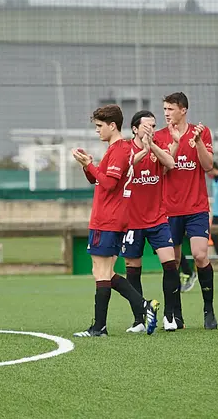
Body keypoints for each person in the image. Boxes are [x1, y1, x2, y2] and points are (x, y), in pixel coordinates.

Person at [71, 105, 152, 337]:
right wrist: (88, 165)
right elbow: (97, 181)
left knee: (102, 271)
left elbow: (109, 184)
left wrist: (89, 165)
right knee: (102, 271)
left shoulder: (118, 150)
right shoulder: (118, 149)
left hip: (107, 218)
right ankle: (140, 307)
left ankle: (101, 327)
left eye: (99, 126)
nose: (97, 130)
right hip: (109, 217)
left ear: (112, 125)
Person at [153, 92, 218, 330]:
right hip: (168, 209)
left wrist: (198, 141)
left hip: (196, 208)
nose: (166, 113)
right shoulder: (159, 136)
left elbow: (208, 166)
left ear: (183, 110)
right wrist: (173, 144)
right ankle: (175, 316)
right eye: (165, 109)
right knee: (174, 262)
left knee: (200, 255)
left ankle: (208, 310)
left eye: (170, 109)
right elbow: (160, 171)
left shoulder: (201, 132)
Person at [120, 110, 176, 333]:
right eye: (146, 126)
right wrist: (144, 149)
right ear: (134, 128)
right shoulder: (125, 148)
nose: (151, 129)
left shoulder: (157, 145)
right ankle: (139, 320)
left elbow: (170, 163)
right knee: (133, 269)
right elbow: (126, 166)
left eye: (153, 125)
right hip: (132, 221)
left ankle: (169, 317)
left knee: (170, 264)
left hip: (158, 219)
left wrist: (151, 146)